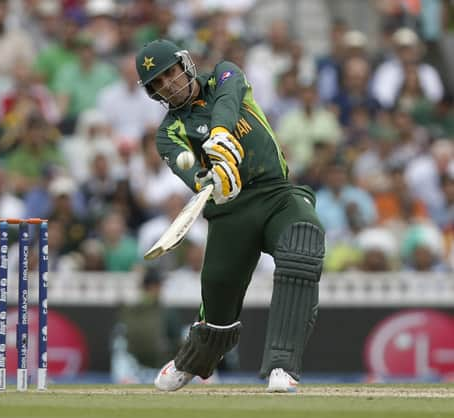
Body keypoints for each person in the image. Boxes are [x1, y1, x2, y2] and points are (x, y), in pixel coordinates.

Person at [135, 39, 325, 393]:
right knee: (218, 315)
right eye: (157, 84)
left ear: (185, 65)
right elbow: (186, 171)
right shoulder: (168, 133)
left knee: (303, 241)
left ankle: (282, 366)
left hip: (277, 195)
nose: (168, 85)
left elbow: (227, 101)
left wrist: (220, 135)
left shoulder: (225, 74)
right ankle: (192, 362)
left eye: (169, 74)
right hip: (229, 213)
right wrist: (210, 181)